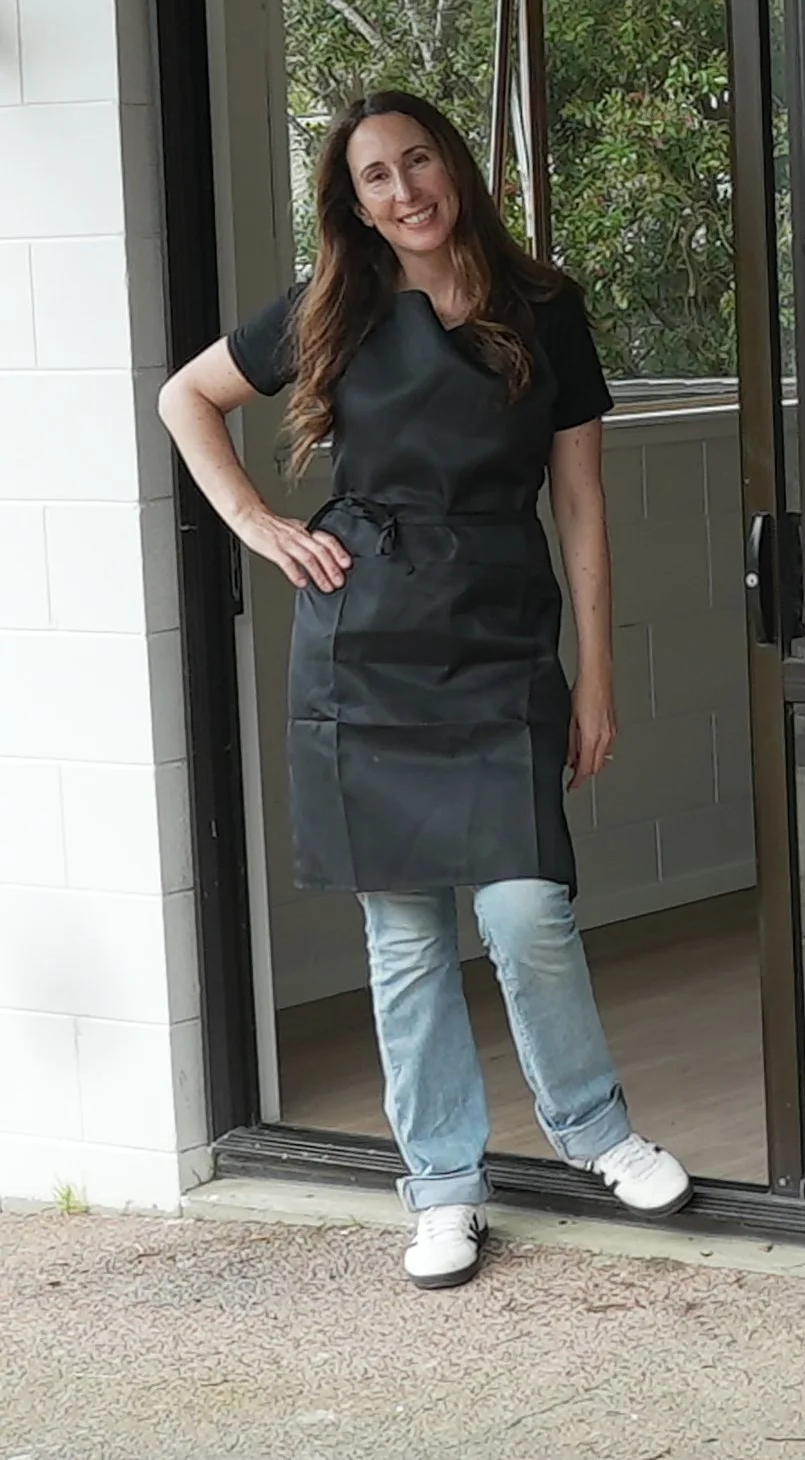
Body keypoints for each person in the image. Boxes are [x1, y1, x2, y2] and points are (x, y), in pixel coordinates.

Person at [158, 89, 692, 1291]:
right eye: (376, 177)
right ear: (353, 204)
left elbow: (581, 504)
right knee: (403, 938)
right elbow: (184, 396)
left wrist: (597, 675)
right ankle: (443, 1184)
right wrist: (257, 523)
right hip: (363, 645)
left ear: (453, 165)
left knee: (526, 909)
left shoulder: (546, 309)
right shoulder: (330, 306)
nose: (405, 191)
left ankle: (594, 1128)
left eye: (418, 161)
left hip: (500, 636)